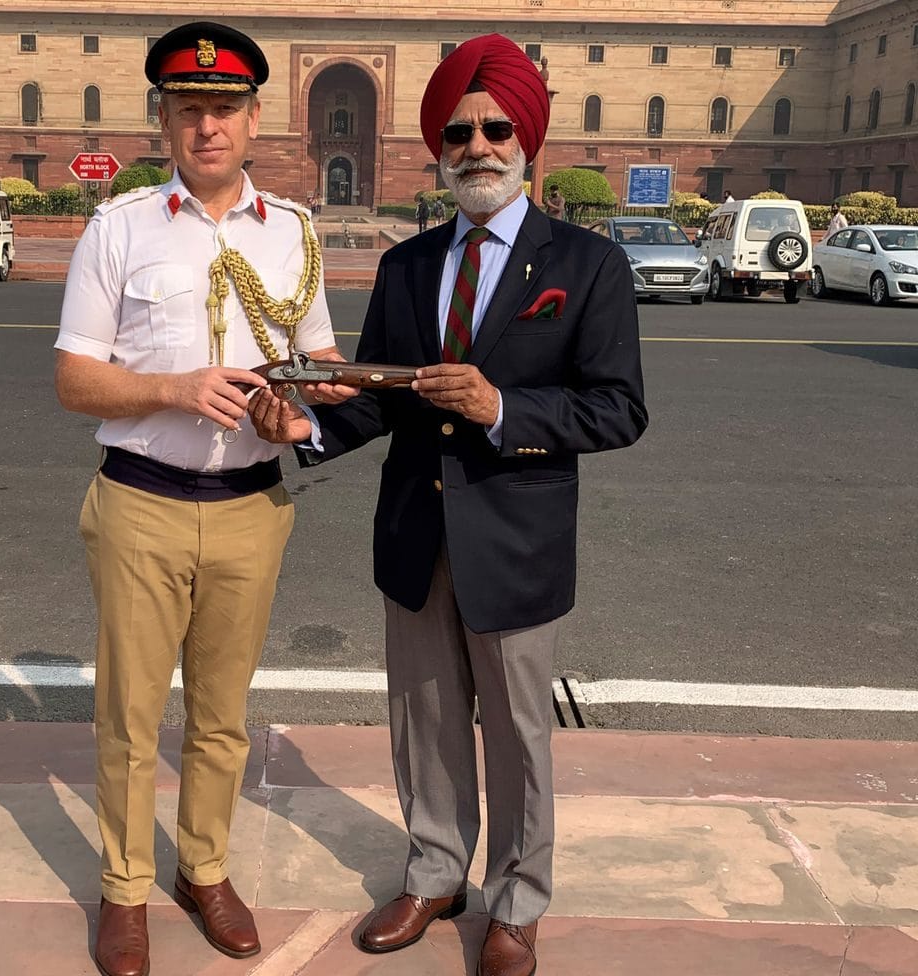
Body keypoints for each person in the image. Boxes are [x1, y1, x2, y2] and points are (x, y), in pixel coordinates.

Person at [249, 33, 647, 976]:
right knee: (423, 723)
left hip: (516, 540)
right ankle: (434, 872)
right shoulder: (411, 265)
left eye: (495, 129)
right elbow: (382, 396)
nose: (477, 146)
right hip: (416, 532)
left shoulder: (586, 264)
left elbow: (618, 408)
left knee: (516, 736)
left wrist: (503, 407)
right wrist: (305, 427)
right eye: (459, 132)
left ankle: (517, 902)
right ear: (438, 146)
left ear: (527, 139)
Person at [53, 21, 341, 976]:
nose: (206, 126)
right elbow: (75, 379)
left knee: (222, 714)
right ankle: (125, 887)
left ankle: (204, 869)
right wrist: (175, 388)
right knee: (131, 717)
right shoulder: (120, 227)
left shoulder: (293, 231)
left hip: (252, 506)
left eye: (224, 108)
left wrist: (301, 411)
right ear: (164, 121)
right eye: (188, 109)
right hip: (142, 502)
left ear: (255, 119)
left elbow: (317, 355)